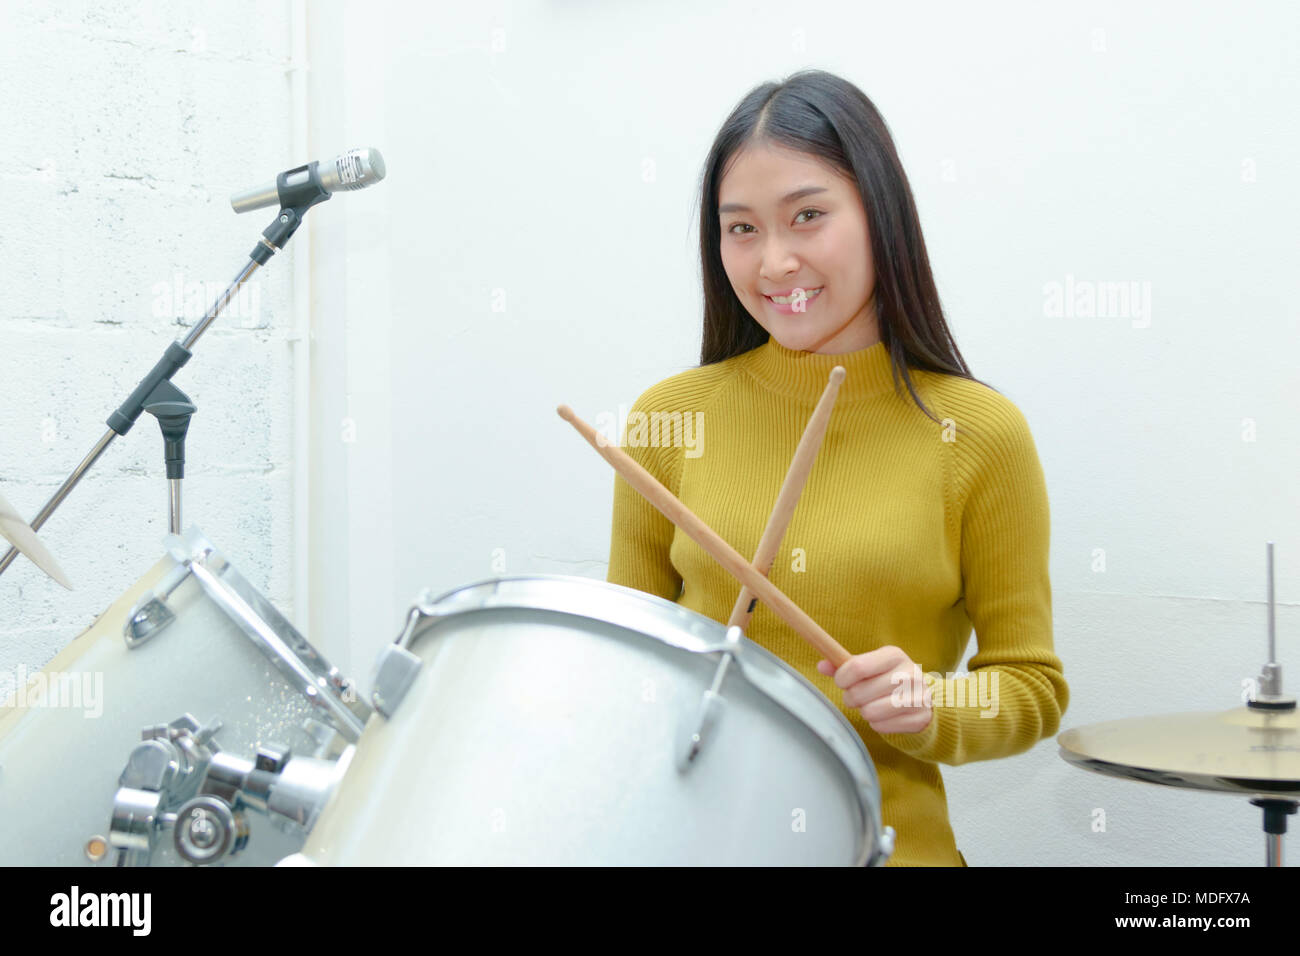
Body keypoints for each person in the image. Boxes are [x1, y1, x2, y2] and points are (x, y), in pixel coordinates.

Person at [606, 70, 1068, 867]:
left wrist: (931, 706)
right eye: (741, 229)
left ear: (879, 216)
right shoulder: (667, 417)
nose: (775, 262)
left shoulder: (981, 433)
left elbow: (1030, 687)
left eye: (808, 217)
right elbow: (622, 669)